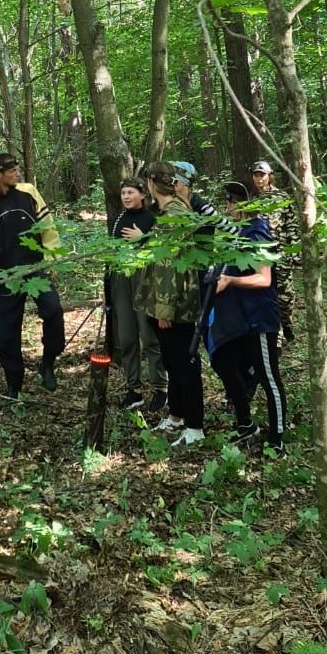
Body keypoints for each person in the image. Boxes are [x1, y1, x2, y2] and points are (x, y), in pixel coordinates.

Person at [0, 153, 64, 398]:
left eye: (17, 169)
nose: (17, 173)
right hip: (4, 276)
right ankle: (14, 383)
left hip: (35, 269)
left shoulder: (29, 192)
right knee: (7, 331)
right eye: (11, 170)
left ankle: (48, 363)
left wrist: (53, 257)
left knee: (53, 311)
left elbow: (47, 226)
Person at [203, 181, 287, 450]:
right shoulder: (236, 234)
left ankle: (277, 442)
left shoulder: (258, 233)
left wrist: (230, 281)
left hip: (258, 318)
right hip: (237, 321)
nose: (229, 206)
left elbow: (263, 279)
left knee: (268, 377)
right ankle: (244, 424)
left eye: (233, 201)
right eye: (228, 200)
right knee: (225, 364)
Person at [135, 162, 204, 448]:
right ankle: (176, 415)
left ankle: (195, 425)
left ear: (152, 183)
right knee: (173, 363)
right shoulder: (167, 213)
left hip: (176, 307)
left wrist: (164, 310)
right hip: (167, 304)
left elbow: (170, 268)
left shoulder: (175, 214)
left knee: (184, 363)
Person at [108, 178, 166, 412]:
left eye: (131, 192)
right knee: (127, 336)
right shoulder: (118, 220)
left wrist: (143, 238)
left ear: (143, 194)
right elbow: (110, 254)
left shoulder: (152, 219)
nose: (126, 197)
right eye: (123, 193)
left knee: (149, 336)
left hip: (145, 279)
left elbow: (162, 252)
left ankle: (160, 388)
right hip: (121, 280)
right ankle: (133, 389)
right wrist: (107, 289)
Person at [249, 160, 299, 344]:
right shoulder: (251, 201)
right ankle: (275, 336)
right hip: (262, 256)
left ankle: (286, 323)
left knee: (286, 296)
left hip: (281, 253)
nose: (258, 178)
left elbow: (292, 225)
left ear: (270, 176)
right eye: (256, 175)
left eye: (262, 174)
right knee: (269, 296)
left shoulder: (282, 197)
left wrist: (294, 253)